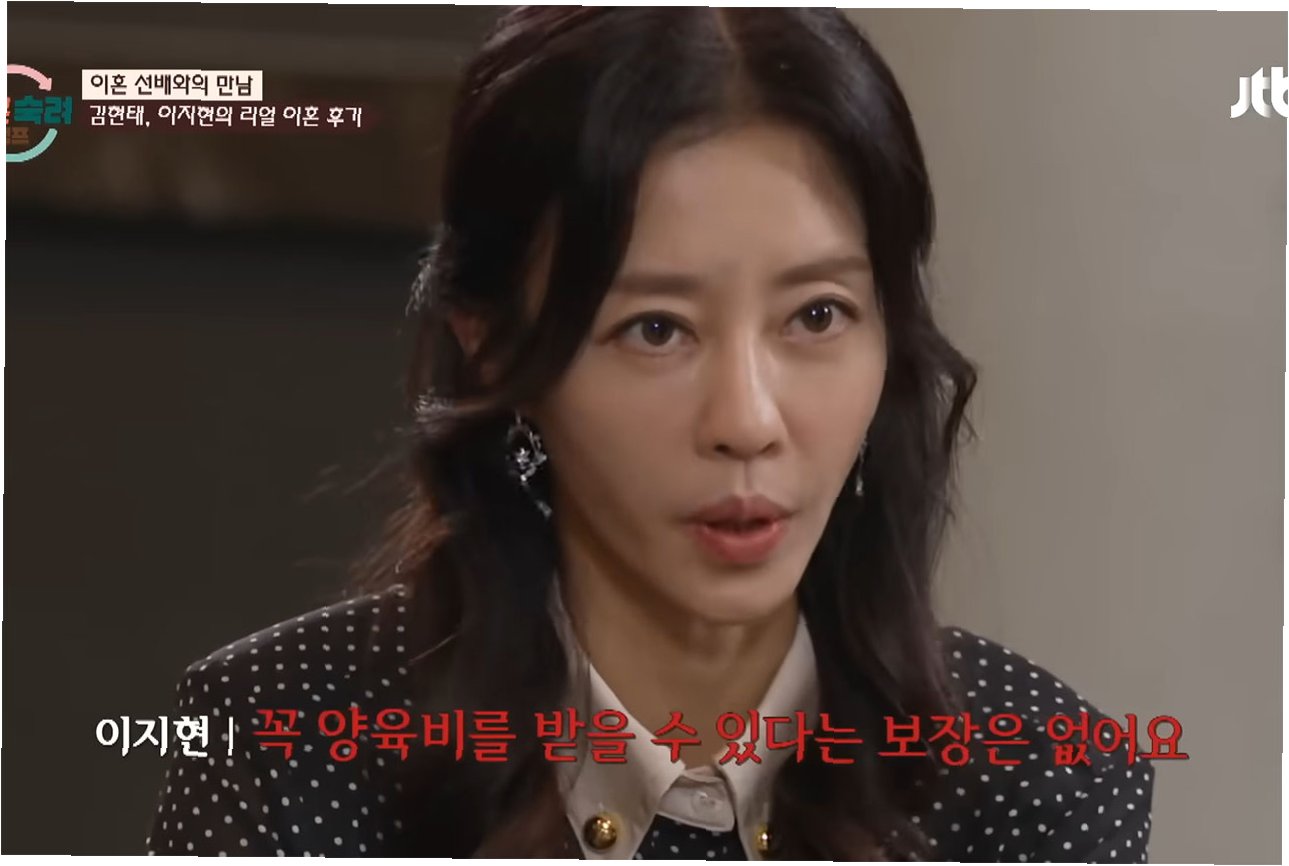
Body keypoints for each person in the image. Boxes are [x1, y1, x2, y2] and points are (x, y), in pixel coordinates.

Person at [145, 6, 1155, 860]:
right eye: (656, 329)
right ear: (494, 352)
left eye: (816, 315)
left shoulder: (1040, 781)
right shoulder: (279, 751)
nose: (747, 421)